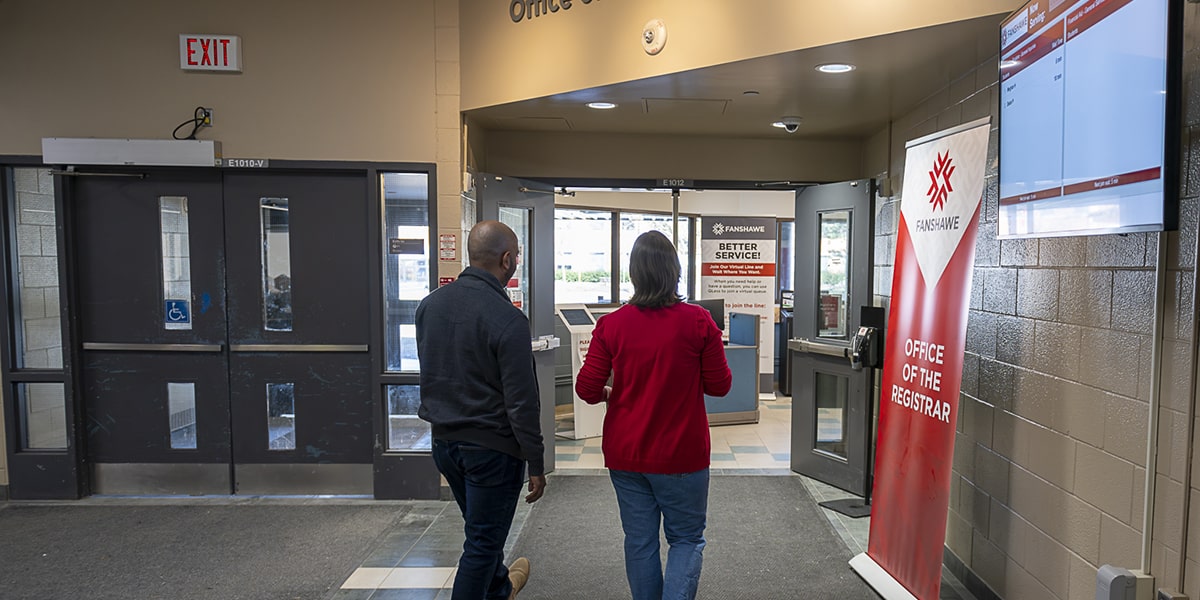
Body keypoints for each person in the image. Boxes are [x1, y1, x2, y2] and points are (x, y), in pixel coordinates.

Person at [575, 230, 732, 600]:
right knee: (686, 540)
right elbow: (720, 386)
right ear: (674, 272)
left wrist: (613, 392)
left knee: (640, 541)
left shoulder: (611, 325)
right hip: (682, 454)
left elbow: (585, 389)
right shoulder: (698, 321)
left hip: (626, 454)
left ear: (634, 273)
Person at [416, 220, 547, 600]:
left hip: (444, 445)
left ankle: (500, 587)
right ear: (507, 260)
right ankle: (490, 584)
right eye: (517, 256)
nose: (517, 262)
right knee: (481, 544)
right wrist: (535, 464)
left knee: (481, 532)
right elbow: (523, 402)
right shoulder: (508, 319)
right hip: (492, 450)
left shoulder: (429, 307)